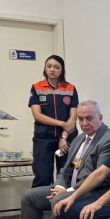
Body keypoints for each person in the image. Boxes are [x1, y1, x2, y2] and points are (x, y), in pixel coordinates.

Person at [0, 100, 110, 219]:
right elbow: (66, 168)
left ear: (100, 117)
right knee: (30, 197)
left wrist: (67, 191)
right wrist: (59, 186)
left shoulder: (109, 140)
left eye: (89, 118)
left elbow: (100, 176)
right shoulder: (79, 138)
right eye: (80, 119)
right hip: (67, 189)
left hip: (94, 193)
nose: (84, 123)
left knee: (59, 202)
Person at [29, 55, 78, 188]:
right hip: (44, 138)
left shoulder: (70, 88)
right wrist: (61, 123)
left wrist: (63, 137)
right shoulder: (37, 87)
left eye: (56, 67)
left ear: (62, 70)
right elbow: (37, 115)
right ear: (45, 68)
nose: (52, 70)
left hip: (67, 138)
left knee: (66, 177)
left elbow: (73, 118)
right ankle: (40, 201)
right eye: (49, 66)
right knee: (42, 176)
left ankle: (64, 202)